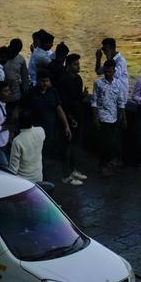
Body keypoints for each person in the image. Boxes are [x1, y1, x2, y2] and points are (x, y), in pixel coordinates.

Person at [22, 70, 72, 172]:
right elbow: (21, 109)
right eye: (42, 81)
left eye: (47, 81)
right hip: (33, 130)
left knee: (45, 152)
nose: (45, 83)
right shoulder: (30, 93)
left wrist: (66, 126)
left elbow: (59, 109)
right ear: (37, 81)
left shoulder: (53, 92)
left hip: (49, 130)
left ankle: (41, 172)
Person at [57, 53, 87, 185]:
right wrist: (70, 119)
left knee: (75, 145)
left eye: (78, 63)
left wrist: (83, 95)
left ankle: (73, 169)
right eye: (75, 64)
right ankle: (65, 175)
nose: (78, 66)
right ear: (68, 66)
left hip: (78, 115)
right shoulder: (63, 81)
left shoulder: (78, 79)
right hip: (69, 118)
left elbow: (77, 98)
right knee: (67, 146)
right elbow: (63, 103)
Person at [91, 60, 126, 177]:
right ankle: (102, 166)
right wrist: (95, 118)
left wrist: (123, 118)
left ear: (114, 71)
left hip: (114, 118)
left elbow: (121, 102)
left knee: (112, 144)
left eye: (110, 72)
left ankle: (105, 164)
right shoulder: (98, 83)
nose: (107, 74)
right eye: (106, 72)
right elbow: (94, 101)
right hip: (102, 117)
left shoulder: (118, 84)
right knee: (105, 144)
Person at [7, 107, 46, 183]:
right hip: (38, 178)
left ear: (19, 123)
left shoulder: (17, 141)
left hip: (23, 182)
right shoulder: (41, 131)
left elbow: (13, 169)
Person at [95, 37, 129, 106]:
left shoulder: (121, 60)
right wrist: (98, 59)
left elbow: (114, 74)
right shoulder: (108, 61)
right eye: (103, 49)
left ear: (112, 48)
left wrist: (109, 57)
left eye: (105, 49)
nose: (104, 52)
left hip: (120, 96)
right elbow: (98, 72)